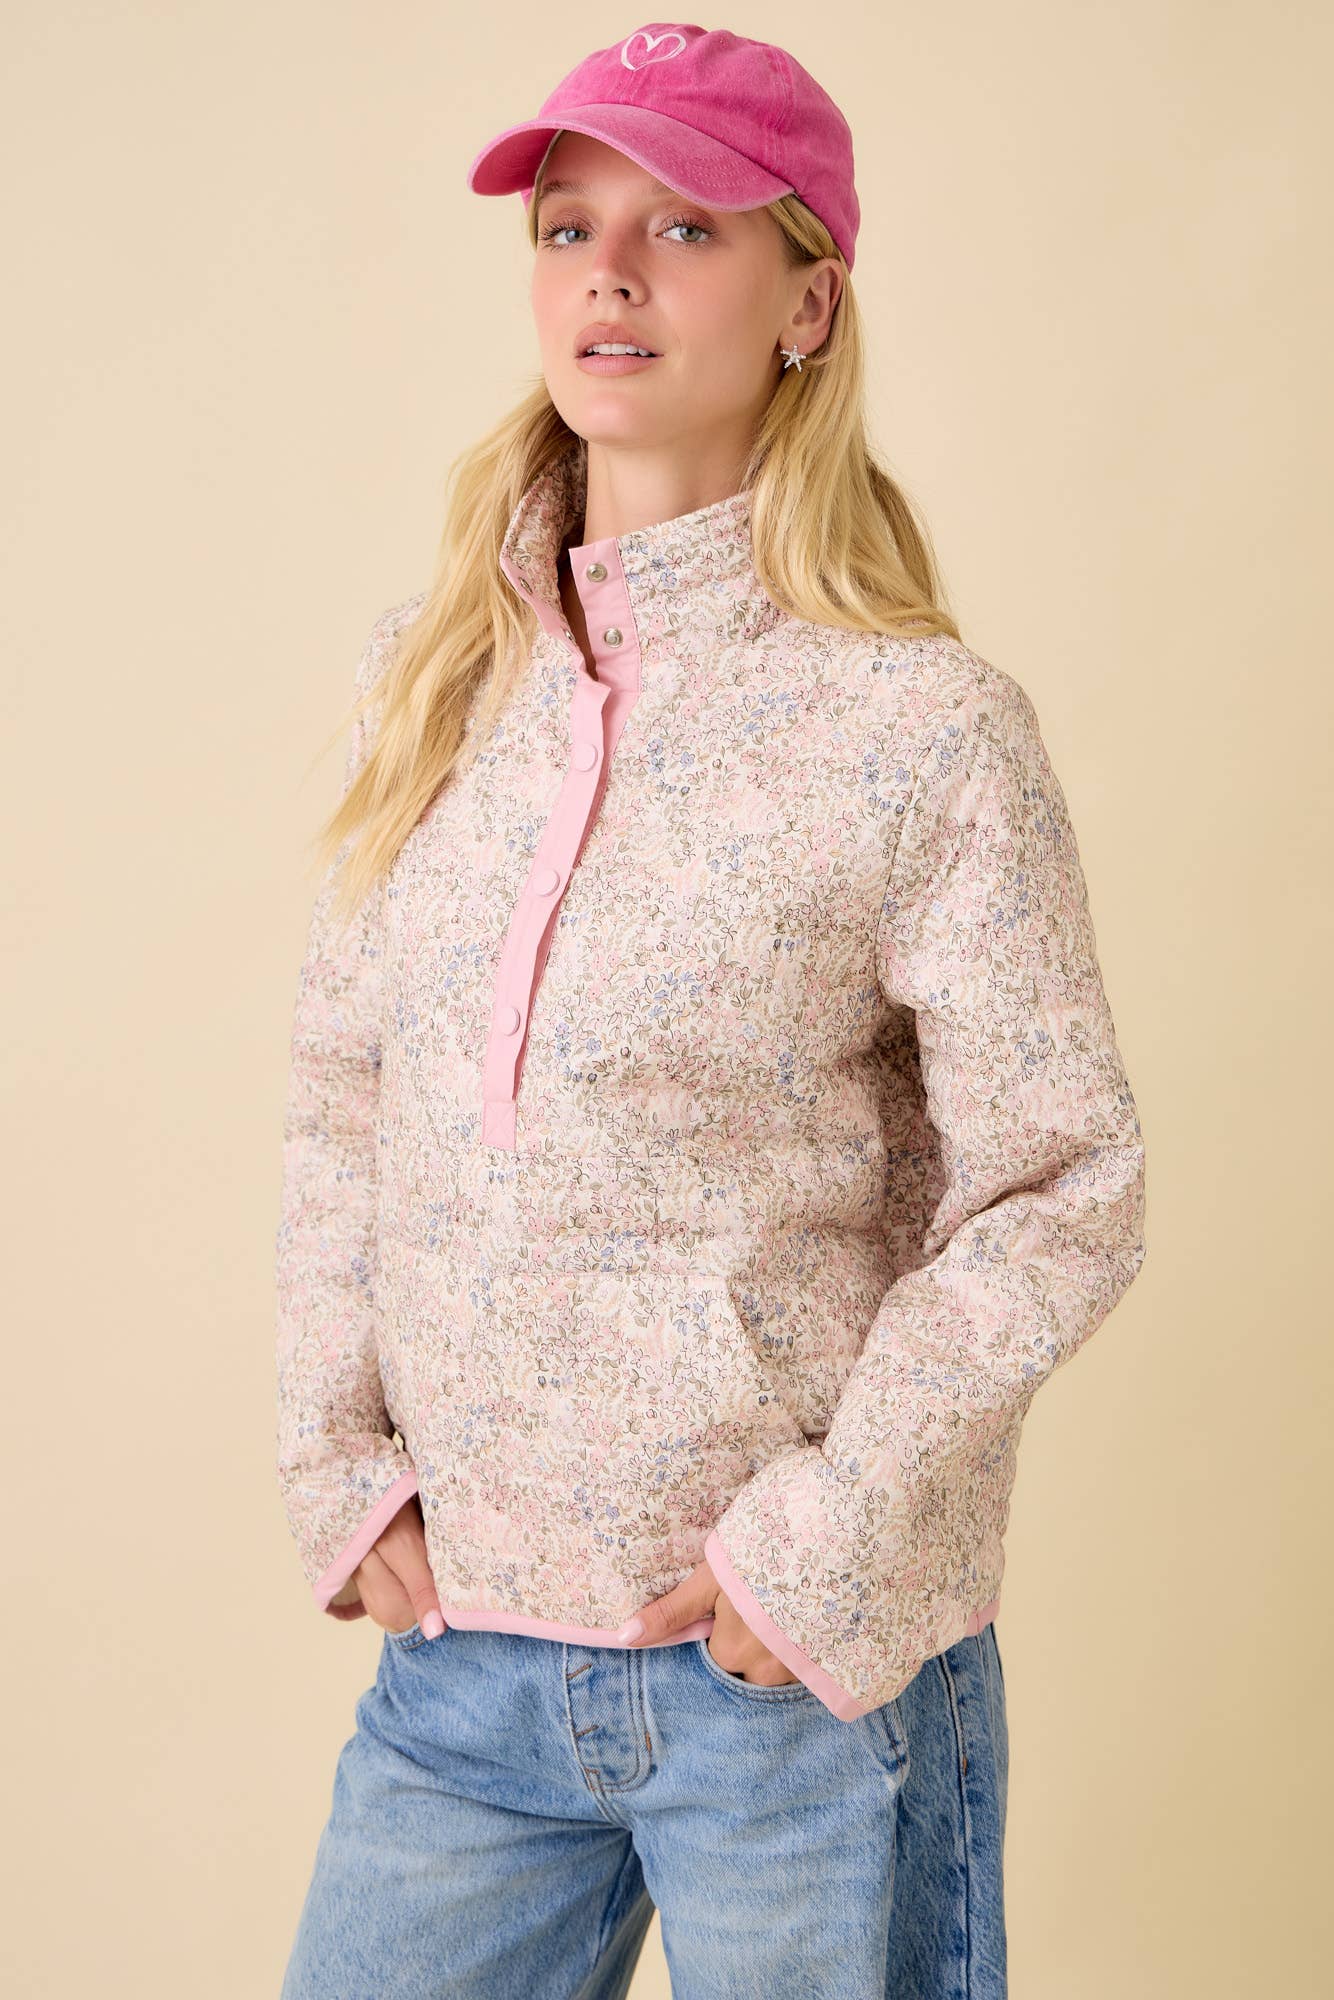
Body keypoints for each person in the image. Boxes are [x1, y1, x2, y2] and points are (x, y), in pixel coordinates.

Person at [275, 23, 1147, 1999]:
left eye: (682, 228)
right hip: (465, 1666)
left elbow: (1062, 1185)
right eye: (566, 226)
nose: (607, 273)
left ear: (805, 303)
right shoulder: (433, 687)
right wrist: (335, 1457)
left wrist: (822, 1543)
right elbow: (347, 1094)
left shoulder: (919, 730)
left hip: (791, 1682)